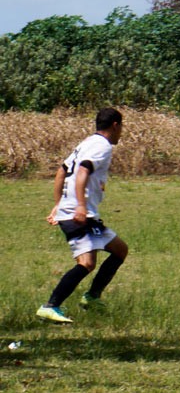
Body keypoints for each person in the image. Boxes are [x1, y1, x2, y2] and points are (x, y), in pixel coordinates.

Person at [37, 108, 129, 324]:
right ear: (115, 125)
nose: (121, 132)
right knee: (87, 263)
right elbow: (82, 172)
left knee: (119, 250)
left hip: (75, 212)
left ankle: (92, 297)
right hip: (79, 214)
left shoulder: (86, 143)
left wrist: (58, 204)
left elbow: (62, 171)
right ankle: (51, 307)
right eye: (121, 127)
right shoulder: (102, 146)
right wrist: (79, 206)